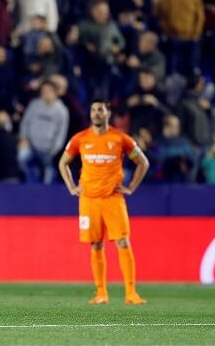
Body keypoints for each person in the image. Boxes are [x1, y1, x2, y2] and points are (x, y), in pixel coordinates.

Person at [58, 101, 149, 305]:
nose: (96, 113)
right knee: (96, 244)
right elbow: (63, 162)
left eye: (101, 109)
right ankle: (101, 293)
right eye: (93, 110)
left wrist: (131, 187)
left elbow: (143, 162)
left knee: (122, 242)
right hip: (89, 199)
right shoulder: (80, 139)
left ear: (108, 113)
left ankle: (131, 293)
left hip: (113, 198)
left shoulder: (120, 138)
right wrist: (72, 187)